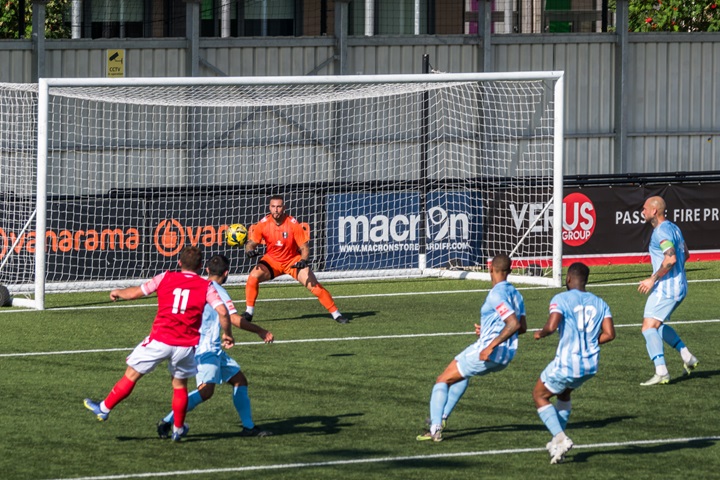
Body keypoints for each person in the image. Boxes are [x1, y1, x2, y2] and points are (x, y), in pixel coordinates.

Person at [83, 246, 234, 442]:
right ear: (200, 267)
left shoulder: (165, 277)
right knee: (179, 386)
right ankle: (178, 429)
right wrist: (227, 334)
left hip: (160, 340)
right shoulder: (206, 287)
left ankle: (104, 408)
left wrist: (118, 292)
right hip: (185, 345)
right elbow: (223, 312)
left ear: (179, 263)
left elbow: (136, 293)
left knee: (132, 374)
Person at [156, 254, 275, 438]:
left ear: (207, 270)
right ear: (226, 273)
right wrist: (260, 330)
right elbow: (233, 318)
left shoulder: (199, 286)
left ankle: (249, 427)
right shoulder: (217, 290)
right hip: (206, 349)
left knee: (239, 380)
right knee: (205, 391)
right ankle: (167, 421)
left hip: (208, 347)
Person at [416, 254, 527, 442]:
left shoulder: (497, 294)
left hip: (489, 352)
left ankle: (435, 429)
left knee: (442, 379)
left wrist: (490, 346)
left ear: (490, 269)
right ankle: (441, 418)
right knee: (461, 375)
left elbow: (513, 324)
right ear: (510, 270)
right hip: (506, 355)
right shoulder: (516, 294)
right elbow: (522, 327)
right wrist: (487, 330)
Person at [533, 262, 615, 465]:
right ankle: (556, 442)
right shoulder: (600, 303)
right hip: (590, 365)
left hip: (569, 363)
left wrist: (541, 333)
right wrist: (589, 342)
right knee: (563, 394)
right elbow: (610, 334)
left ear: (568, 278)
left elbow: (552, 326)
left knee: (539, 395)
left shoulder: (561, 298)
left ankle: (561, 438)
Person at [242, 195, 348, 324]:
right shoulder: (263, 223)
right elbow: (251, 243)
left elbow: (304, 247)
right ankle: (249, 312)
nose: (276, 210)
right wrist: (249, 251)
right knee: (253, 277)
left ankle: (336, 314)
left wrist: (303, 260)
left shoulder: (293, 224)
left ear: (284, 208)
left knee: (314, 286)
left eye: (279, 207)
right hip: (272, 261)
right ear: (269, 208)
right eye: (273, 206)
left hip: (292, 261)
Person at [637, 195, 699, 386]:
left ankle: (661, 371)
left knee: (648, 327)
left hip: (666, 288)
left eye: (645, 208)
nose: (642, 211)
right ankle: (687, 356)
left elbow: (671, 259)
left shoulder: (661, 232)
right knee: (656, 325)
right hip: (679, 285)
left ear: (654, 211)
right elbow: (685, 254)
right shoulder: (674, 228)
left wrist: (653, 278)